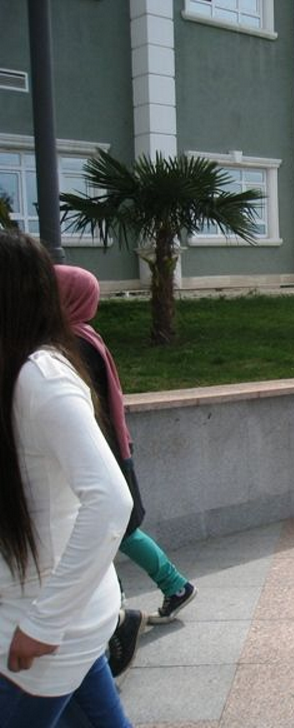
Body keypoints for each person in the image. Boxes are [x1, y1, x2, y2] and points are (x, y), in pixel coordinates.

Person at [0, 232, 134, 727]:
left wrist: (44, 622)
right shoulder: (19, 370)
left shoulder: (40, 377)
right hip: (56, 616)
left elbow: (110, 501)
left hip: (38, 628)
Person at [55, 265, 197, 626]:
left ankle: (143, 599)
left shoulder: (74, 344)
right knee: (115, 529)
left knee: (116, 530)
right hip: (109, 448)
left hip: (99, 450)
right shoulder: (85, 337)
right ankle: (152, 594)